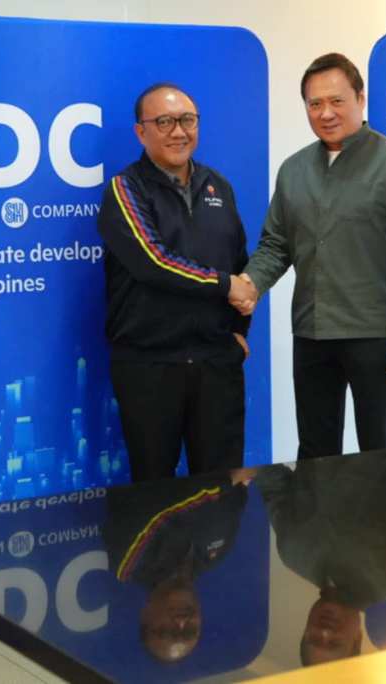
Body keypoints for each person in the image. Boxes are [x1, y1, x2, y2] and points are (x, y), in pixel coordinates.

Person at [236, 53, 386, 459]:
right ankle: (319, 507)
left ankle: (382, 508)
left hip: (375, 335)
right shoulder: (293, 170)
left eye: (337, 101)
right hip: (311, 332)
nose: (325, 113)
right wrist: (251, 283)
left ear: (361, 99)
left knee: (380, 450)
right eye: (315, 104)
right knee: (315, 450)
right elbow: (276, 244)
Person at [97, 82, 256, 482]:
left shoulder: (219, 186)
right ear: (141, 132)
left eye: (187, 120)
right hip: (151, 365)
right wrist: (224, 285)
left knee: (223, 489)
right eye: (164, 122)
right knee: (154, 491)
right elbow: (153, 262)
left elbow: (240, 263)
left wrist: (239, 331)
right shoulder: (125, 189)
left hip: (216, 364)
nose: (179, 132)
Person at [254, 445, 386, 666]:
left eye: (314, 639)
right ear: (357, 638)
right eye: (334, 643)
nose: (325, 632)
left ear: (305, 632)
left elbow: (269, 479)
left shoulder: (292, 554)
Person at [103, 470, 252, 662]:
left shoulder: (128, 565)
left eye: (165, 630)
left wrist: (231, 477)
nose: (181, 622)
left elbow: (164, 505)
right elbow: (239, 492)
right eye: (190, 631)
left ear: (145, 614)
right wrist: (243, 474)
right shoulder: (217, 555)